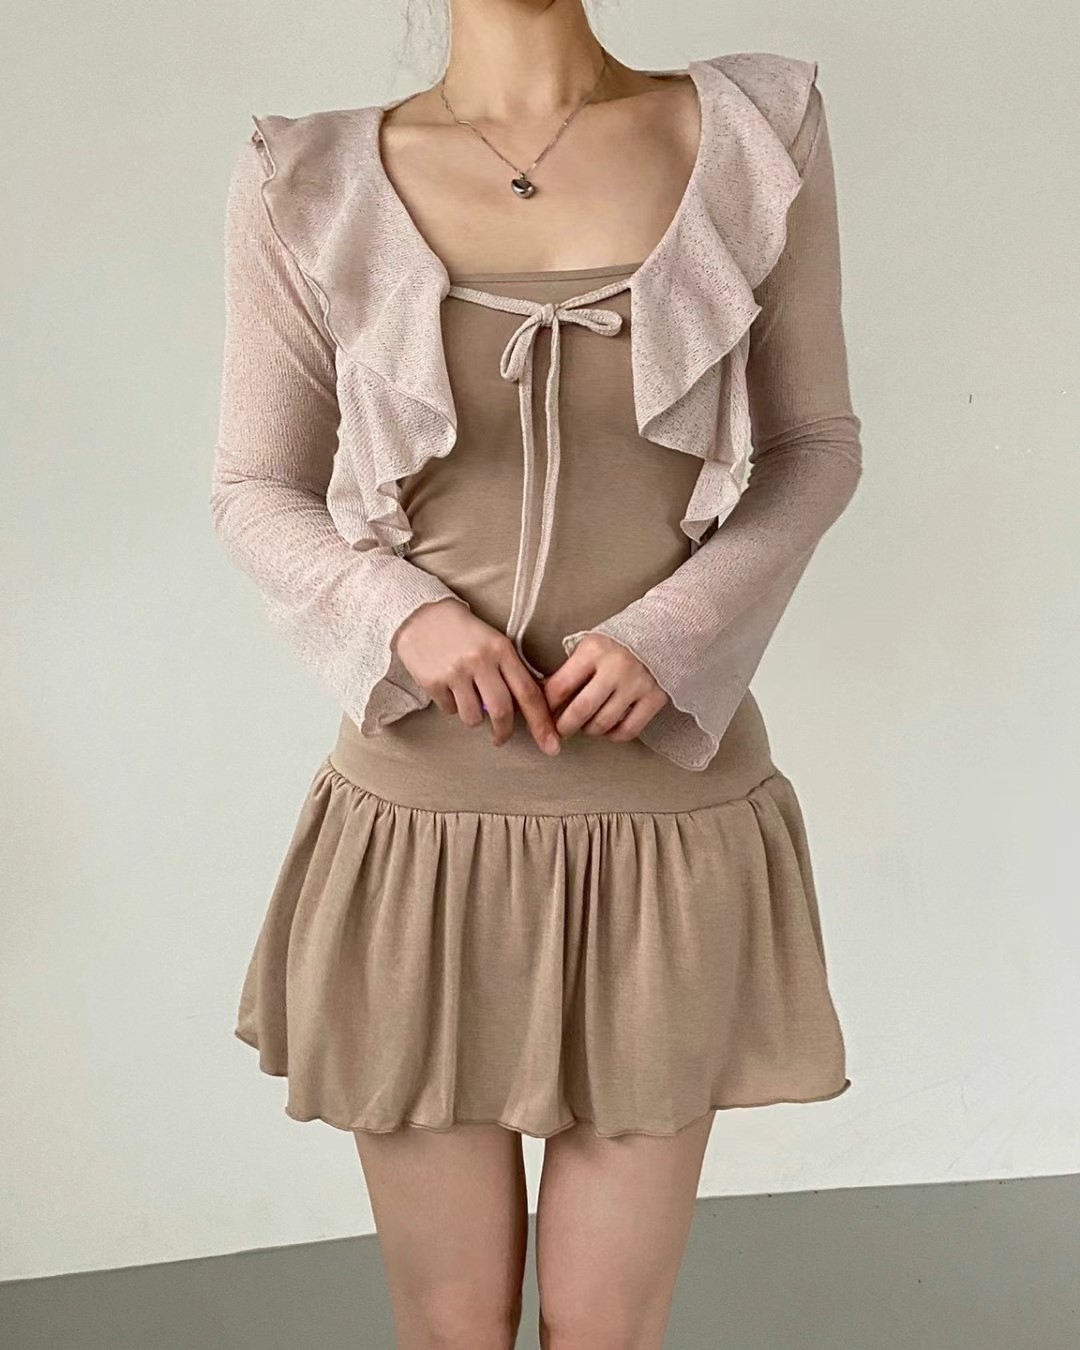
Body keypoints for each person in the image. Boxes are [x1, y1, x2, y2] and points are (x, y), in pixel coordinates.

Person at [210, 3, 863, 1346]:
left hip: (663, 834)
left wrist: (676, 629)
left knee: (604, 1331)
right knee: (452, 1327)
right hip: (421, 840)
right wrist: (400, 616)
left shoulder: (753, 135)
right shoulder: (307, 176)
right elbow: (254, 487)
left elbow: (816, 445)